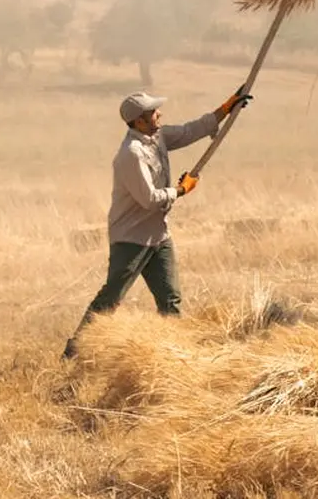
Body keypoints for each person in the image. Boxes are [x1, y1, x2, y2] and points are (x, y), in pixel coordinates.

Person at [61, 88, 251, 359]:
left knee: (170, 299)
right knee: (111, 298)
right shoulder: (131, 154)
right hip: (131, 238)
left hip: (158, 235)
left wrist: (225, 109)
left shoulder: (157, 137)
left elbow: (189, 131)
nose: (159, 113)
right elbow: (150, 199)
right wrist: (181, 190)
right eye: (153, 112)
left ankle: (170, 355)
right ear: (139, 121)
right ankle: (75, 352)